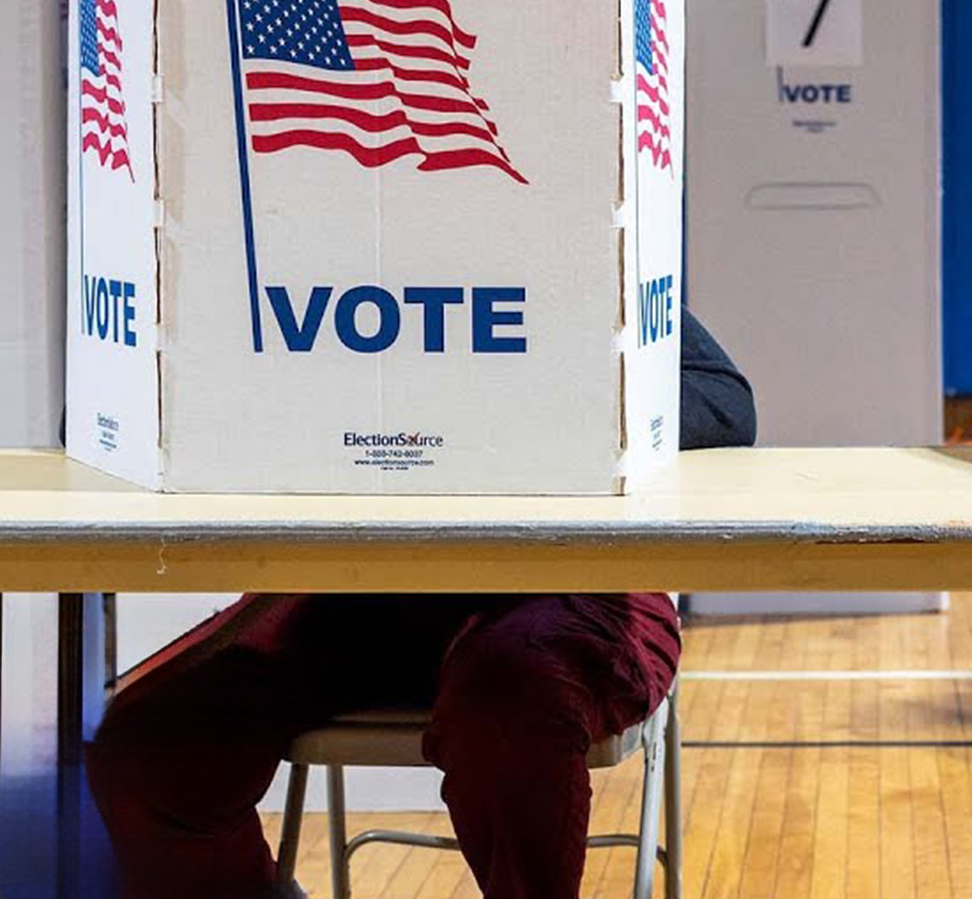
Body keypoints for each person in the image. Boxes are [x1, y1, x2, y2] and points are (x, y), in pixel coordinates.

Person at [86, 312, 756, 899]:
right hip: (345, 586)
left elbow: (723, 403)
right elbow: (90, 406)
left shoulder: (554, 232)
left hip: (561, 577)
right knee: (148, 740)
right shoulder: (274, 240)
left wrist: (478, 409)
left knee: (511, 701)